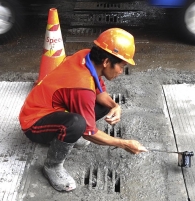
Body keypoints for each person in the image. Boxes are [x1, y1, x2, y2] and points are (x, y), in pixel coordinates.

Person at [18, 28, 148, 192]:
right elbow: (89, 133)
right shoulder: (82, 86)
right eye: (121, 66)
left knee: (102, 105)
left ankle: (68, 137)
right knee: (77, 125)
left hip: (53, 110)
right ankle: (52, 166)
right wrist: (124, 144)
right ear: (107, 62)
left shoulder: (86, 57)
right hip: (33, 122)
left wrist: (115, 106)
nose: (121, 72)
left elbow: (99, 91)